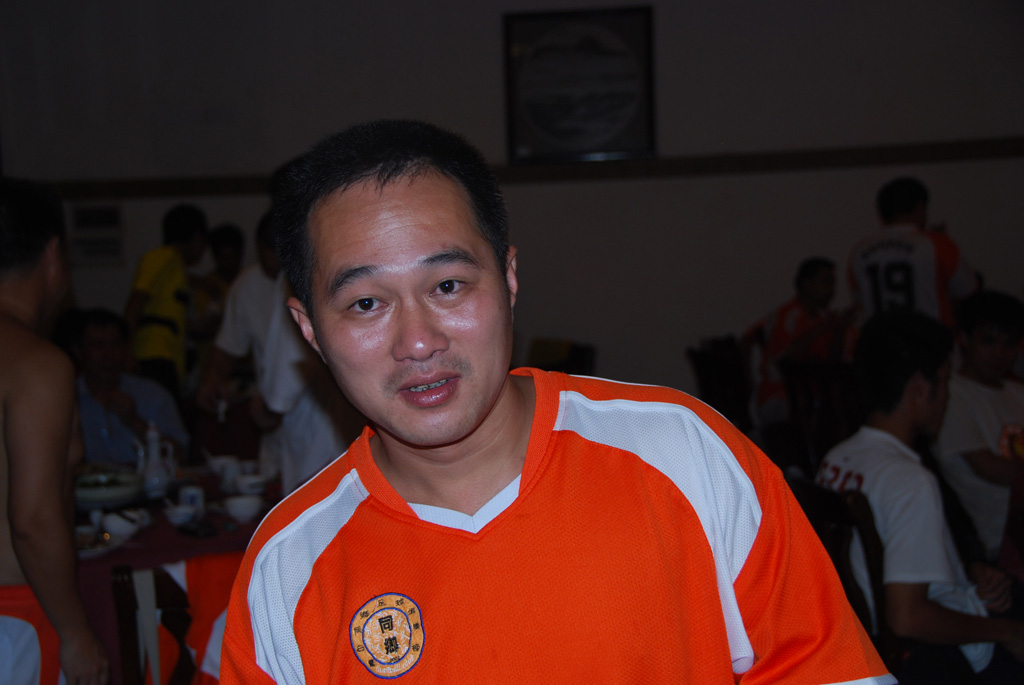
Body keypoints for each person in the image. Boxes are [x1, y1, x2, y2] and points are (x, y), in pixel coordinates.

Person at [220, 120, 893, 683]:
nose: (418, 341)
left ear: (509, 277)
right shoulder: (290, 566)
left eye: (448, 286)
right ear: (309, 329)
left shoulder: (684, 456)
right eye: (366, 303)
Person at [817, 311, 1024, 682]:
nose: (947, 397)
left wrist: (967, 569)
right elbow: (908, 617)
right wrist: (1007, 632)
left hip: (855, 638)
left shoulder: (838, 458)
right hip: (916, 658)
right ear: (920, 387)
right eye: (944, 382)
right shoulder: (910, 480)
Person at [0, 178, 108, 684]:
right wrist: (75, 631)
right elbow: (32, 519)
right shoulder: (36, 364)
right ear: (52, 255)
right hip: (16, 614)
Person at [197, 212, 360, 494]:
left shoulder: (298, 277)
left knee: (319, 499)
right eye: (268, 250)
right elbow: (228, 346)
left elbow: (283, 379)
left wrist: (266, 408)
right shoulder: (249, 285)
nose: (273, 259)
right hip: (295, 426)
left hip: (315, 423)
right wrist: (212, 379)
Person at [935, 290, 1024, 563]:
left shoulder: (1018, 392)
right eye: (989, 341)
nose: (1000, 354)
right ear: (964, 339)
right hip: (996, 543)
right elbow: (986, 466)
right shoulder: (951, 394)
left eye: (1009, 343)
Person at [847, 176, 978, 327]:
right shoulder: (938, 245)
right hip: (931, 337)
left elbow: (860, 300)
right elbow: (968, 294)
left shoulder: (859, 252)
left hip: (880, 339)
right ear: (920, 207)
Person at [742, 256, 857, 426]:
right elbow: (782, 359)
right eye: (825, 282)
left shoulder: (825, 317)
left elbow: (834, 360)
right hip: (780, 396)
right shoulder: (786, 317)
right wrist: (748, 381)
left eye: (833, 283)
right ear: (807, 284)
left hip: (815, 397)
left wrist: (840, 331)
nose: (832, 289)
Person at [74, 307, 189, 466]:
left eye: (115, 344)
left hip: (145, 481)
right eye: (98, 345)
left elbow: (181, 455)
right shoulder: (65, 399)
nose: (108, 354)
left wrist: (135, 422)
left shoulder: (153, 395)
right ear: (79, 351)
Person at [124, 203, 208, 399]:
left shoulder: (176, 267)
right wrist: (125, 351)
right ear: (197, 237)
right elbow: (135, 302)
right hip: (153, 356)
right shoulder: (162, 257)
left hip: (168, 359)